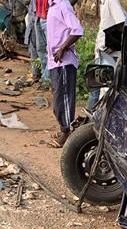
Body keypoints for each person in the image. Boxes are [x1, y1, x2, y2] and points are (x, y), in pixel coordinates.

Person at [46, 0, 83, 147]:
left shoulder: (63, 5)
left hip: (64, 62)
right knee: (58, 100)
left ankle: (67, 131)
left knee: (64, 99)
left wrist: (62, 48)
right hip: (54, 62)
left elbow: (77, 30)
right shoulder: (53, 6)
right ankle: (64, 128)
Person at [87, 0, 126, 111]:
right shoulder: (106, 2)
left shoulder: (109, 1)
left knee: (102, 88)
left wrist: (114, 44)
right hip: (105, 51)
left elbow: (121, 23)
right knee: (101, 88)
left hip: (107, 52)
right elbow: (120, 24)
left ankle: (95, 115)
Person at [34, 0, 49, 87]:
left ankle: (46, 79)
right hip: (39, 16)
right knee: (41, 50)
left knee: (51, 50)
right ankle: (45, 77)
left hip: (50, 17)